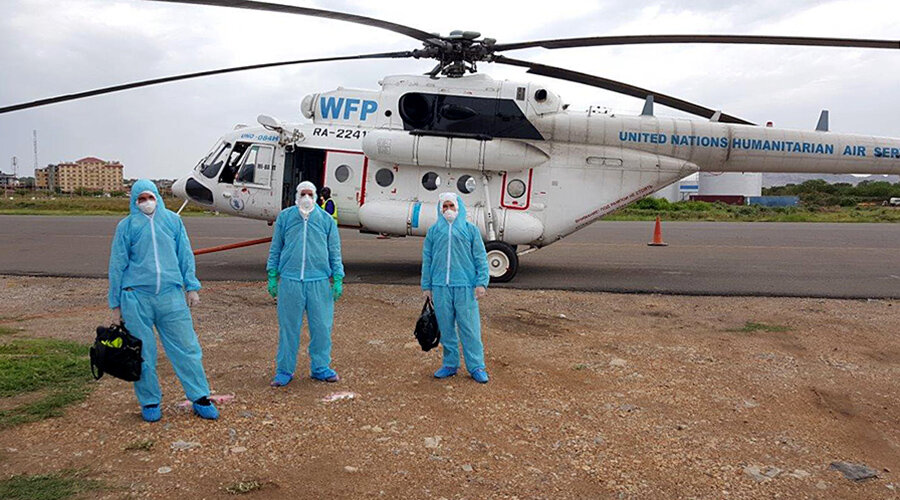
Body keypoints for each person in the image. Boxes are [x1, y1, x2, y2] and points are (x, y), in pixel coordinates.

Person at [108, 179, 218, 422]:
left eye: (150, 197)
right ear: (134, 201)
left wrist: (191, 286)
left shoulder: (172, 221)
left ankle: (199, 396)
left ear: (158, 197)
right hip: (136, 297)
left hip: (170, 295)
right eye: (141, 199)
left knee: (187, 347)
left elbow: (184, 254)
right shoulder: (126, 227)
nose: (146, 203)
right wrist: (115, 304)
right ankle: (149, 401)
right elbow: (117, 264)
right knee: (142, 352)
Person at [267, 181, 344, 387]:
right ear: (296, 195)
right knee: (288, 328)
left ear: (316, 196)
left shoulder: (326, 220)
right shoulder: (285, 218)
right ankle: (284, 370)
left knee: (321, 327)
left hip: (318, 281)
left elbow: (334, 251)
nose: (306, 198)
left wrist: (337, 277)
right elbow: (276, 248)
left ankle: (320, 367)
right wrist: (273, 274)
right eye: (303, 194)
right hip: (290, 280)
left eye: (310, 194)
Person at [421, 192, 490, 384]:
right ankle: (450, 364)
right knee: (446, 327)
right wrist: (427, 285)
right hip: (440, 286)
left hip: (465, 286)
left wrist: (481, 282)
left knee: (469, 328)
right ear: (439, 208)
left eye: (451, 206)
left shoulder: (470, 230)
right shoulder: (434, 231)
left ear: (458, 208)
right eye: (445, 206)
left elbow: (480, 257)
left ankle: (476, 366)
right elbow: (428, 259)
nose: (448, 210)